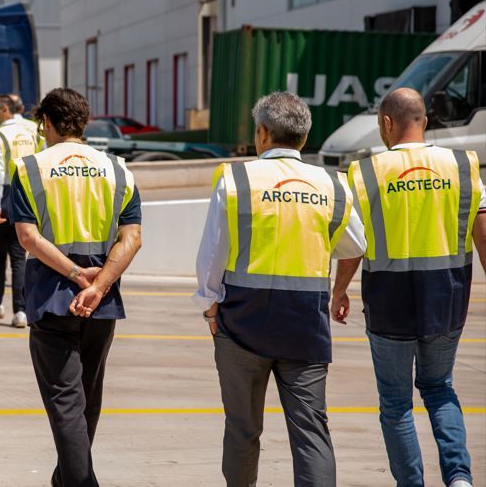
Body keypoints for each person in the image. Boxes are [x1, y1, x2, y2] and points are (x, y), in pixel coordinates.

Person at [194, 91, 366, 487]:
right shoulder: (332, 186)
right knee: (311, 433)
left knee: (242, 430)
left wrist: (209, 306)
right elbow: (355, 245)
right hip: (304, 327)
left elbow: (211, 255)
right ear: (303, 138)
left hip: (241, 323)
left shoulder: (236, 179)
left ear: (263, 132)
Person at [333, 88, 486, 487]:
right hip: (447, 299)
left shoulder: (365, 173)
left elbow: (354, 243)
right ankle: (459, 478)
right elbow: (483, 234)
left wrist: (340, 290)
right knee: (439, 389)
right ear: (425, 120)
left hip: (388, 303)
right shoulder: (462, 166)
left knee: (397, 403)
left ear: (386, 123)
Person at [12, 87, 142, 486]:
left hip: (53, 296)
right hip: (101, 301)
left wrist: (74, 275)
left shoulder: (31, 168)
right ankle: (65, 478)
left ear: (47, 123)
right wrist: (98, 283)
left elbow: (28, 238)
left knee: (66, 403)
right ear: (84, 123)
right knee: (86, 399)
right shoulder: (119, 169)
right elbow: (132, 237)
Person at [0, 94, 37, 328]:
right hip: (26, 192)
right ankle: (21, 310)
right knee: (18, 257)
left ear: (5, 110)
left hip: (3, 193)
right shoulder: (31, 131)